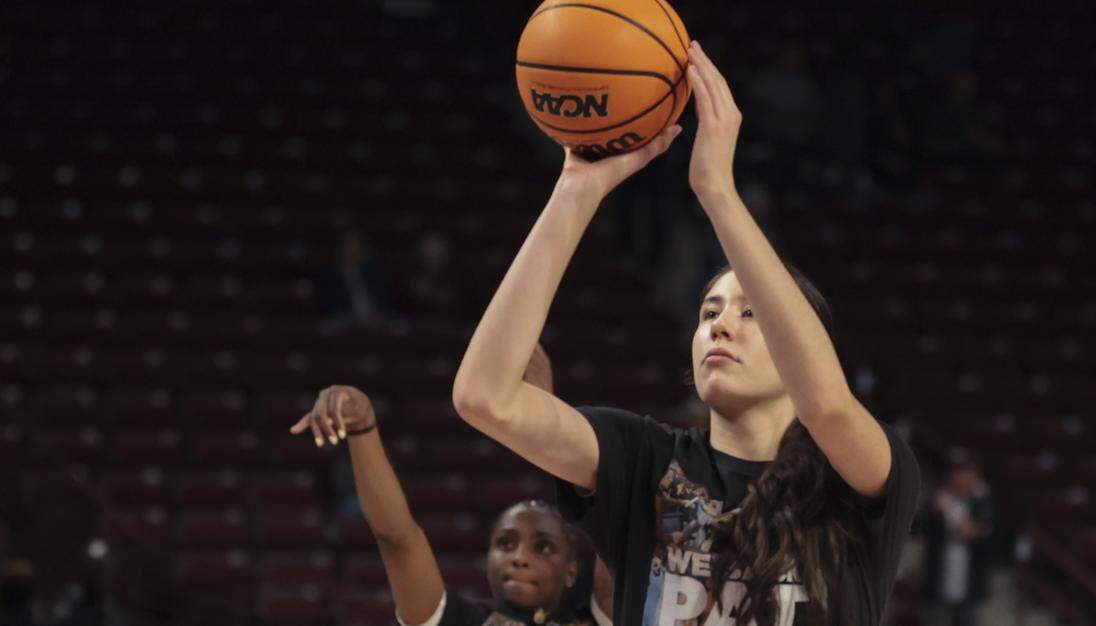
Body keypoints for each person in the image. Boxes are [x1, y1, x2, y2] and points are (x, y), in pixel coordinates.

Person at [451, 40, 921, 626]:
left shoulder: (853, 477)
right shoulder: (644, 460)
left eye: (752, 313)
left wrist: (718, 193)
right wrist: (575, 193)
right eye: (709, 312)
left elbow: (824, 404)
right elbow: (483, 397)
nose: (722, 323)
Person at [290, 346, 596, 626]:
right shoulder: (459, 619)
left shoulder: (599, 617)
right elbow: (397, 538)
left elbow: (621, 520)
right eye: (505, 543)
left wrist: (549, 429)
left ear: (572, 570)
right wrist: (362, 428)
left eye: (543, 546)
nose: (519, 557)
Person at [920, 459, 994, 626]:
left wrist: (974, 531)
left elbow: (986, 536)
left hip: (969, 582)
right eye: (961, 474)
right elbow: (921, 531)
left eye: (970, 475)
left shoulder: (982, 503)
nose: (965, 480)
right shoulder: (937, 500)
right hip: (938, 580)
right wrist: (935, 510)